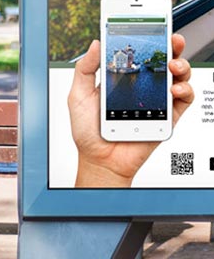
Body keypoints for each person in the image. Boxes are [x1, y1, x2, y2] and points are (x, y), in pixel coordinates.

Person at [68, 34, 193, 187]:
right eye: (129, 52)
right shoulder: (123, 60)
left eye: (129, 53)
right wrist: (98, 166)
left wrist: (102, 170)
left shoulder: (124, 59)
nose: (129, 55)